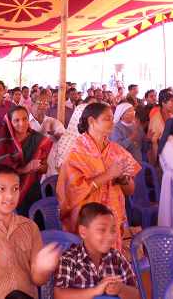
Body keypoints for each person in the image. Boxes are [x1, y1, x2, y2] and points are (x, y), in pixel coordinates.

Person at [0, 164, 61, 299]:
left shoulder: (30, 227)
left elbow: (38, 280)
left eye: (15, 189)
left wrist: (42, 268)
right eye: (1, 189)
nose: (9, 196)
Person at [57, 103, 140, 248]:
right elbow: (72, 191)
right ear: (91, 121)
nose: (112, 122)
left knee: (110, 260)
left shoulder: (116, 150)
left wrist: (122, 179)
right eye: (107, 119)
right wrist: (108, 174)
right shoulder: (76, 152)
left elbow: (131, 190)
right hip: (87, 219)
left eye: (112, 118)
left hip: (112, 218)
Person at [54, 202, 139, 299]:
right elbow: (59, 295)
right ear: (83, 232)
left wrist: (121, 289)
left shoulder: (117, 257)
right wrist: (95, 291)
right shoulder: (69, 259)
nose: (110, 236)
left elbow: (137, 294)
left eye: (113, 230)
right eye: (102, 230)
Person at [0, 106, 52, 216]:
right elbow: (0, 171)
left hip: (32, 190)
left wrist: (39, 167)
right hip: (9, 191)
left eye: (24, 119)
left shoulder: (38, 139)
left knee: (33, 222)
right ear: (9, 122)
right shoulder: (3, 143)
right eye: (16, 120)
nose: (22, 123)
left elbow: (45, 168)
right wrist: (26, 169)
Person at [148, 90, 173, 164]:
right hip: (161, 153)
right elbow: (154, 141)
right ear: (163, 103)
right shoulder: (156, 119)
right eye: (172, 101)